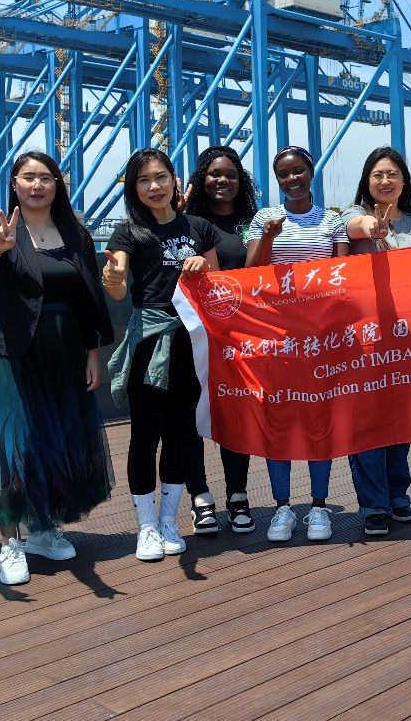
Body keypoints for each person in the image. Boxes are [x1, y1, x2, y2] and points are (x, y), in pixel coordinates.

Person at [0, 152, 116, 586]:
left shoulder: (75, 233)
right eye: (28, 177)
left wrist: (92, 354)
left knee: (57, 438)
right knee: (15, 441)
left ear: (57, 185)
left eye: (46, 178)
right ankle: (11, 542)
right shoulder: (0, 228)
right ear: (14, 184)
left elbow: (89, 297)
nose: (37, 185)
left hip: (67, 347)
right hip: (19, 349)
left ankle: (43, 528)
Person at [103, 149, 219, 562]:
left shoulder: (199, 227)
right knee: (145, 434)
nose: (154, 186)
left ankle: (170, 520)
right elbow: (118, 285)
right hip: (150, 340)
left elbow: (219, 284)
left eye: (160, 177)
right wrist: (114, 277)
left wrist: (203, 268)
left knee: (181, 432)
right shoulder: (128, 232)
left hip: (191, 339)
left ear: (174, 180)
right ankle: (147, 526)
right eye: (143, 180)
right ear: (134, 189)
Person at [246, 145, 350, 542]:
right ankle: (282, 507)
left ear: (311, 172)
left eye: (299, 171)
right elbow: (251, 272)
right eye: (284, 174)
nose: (292, 179)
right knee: (279, 420)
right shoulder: (264, 218)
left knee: (319, 419)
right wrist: (268, 239)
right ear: (278, 181)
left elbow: (344, 275)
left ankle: (319, 506)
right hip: (277, 336)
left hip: (321, 337)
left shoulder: (333, 220)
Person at [341, 146, 411, 537]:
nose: (385, 181)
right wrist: (374, 228)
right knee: (366, 419)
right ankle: (373, 503)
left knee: (401, 415)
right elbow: (358, 227)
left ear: (404, 181)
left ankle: (397, 493)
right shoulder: (352, 213)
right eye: (377, 175)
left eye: (392, 174)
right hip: (364, 335)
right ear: (367, 181)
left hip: (407, 335)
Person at [181, 146, 259, 536]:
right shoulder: (185, 223)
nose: (222, 181)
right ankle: (200, 498)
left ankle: (238, 496)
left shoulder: (253, 222)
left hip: (239, 336)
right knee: (190, 415)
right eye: (214, 174)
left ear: (241, 180)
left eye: (230, 174)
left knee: (235, 414)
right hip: (194, 333)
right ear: (201, 179)